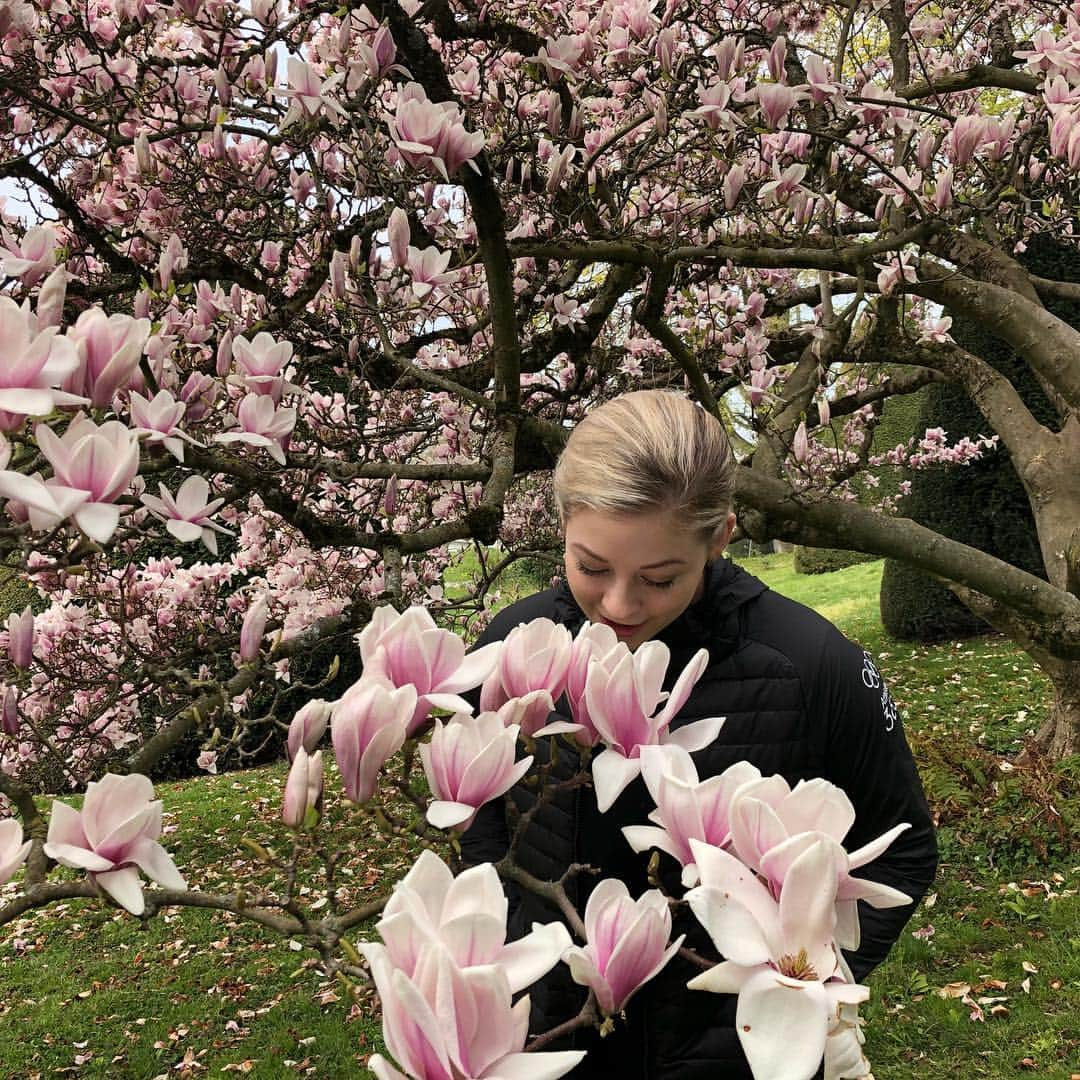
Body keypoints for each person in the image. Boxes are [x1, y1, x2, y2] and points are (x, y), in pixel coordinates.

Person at [461, 390, 937, 1079]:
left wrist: (803, 985)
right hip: (551, 1039)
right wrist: (509, 963)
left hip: (732, 1053)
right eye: (592, 567)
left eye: (660, 578)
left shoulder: (812, 665)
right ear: (563, 523)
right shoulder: (515, 648)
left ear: (720, 536)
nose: (621, 604)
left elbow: (906, 847)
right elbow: (481, 826)